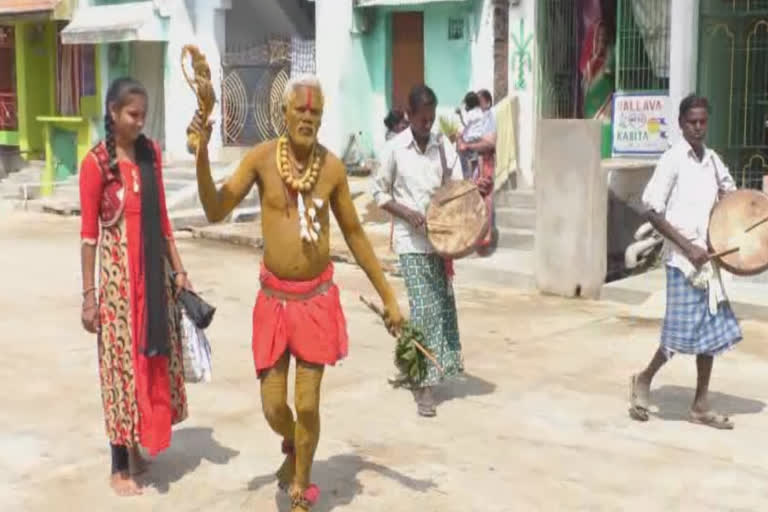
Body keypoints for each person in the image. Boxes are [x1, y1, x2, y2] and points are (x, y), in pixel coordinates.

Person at [191, 74, 403, 512]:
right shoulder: (262, 159)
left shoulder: (332, 169)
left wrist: (388, 296)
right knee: (274, 408)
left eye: (316, 112)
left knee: (307, 405)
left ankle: (302, 488)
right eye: (301, 110)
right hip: (273, 301)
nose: (308, 117)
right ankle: (293, 444)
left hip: (316, 301)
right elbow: (214, 208)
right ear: (283, 113)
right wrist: (201, 159)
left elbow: (357, 236)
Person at [79, 77, 190, 496]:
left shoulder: (150, 155)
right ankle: (117, 466)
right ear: (113, 113)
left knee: (150, 362)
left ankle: (137, 447)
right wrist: (90, 298)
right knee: (120, 370)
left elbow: (161, 219)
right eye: (132, 115)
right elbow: (89, 235)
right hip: (118, 285)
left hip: (154, 283)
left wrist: (179, 271)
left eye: (143, 115)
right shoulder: (97, 165)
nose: (139, 122)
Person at [372, 84, 492, 417]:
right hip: (411, 244)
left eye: (430, 119)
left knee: (440, 309)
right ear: (408, 116)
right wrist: (408, 214)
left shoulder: (443, 148)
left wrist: (474, 188)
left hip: (442, 243)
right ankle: (424, 387)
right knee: (424, 311)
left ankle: (419, 368)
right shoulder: (396, 149)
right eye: (421, 119)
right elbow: (379, 193)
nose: (427, 125)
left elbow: (457, 189)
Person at [628, 94, 742, 429]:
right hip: (681, 260)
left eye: (702, 121)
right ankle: (643, 379)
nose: (697, 127)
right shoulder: (672, 159)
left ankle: (700, 404)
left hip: (708, 261)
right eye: (691, 121)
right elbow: (651, 207)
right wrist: (687, 246)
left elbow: (731, 197)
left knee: (708, 332)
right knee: (679, 332)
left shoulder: (713, 161)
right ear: (680, 124)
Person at [459, 89, 498, 255]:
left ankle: (483, 243)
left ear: (487, 103)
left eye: (480, 101)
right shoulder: (473, 117)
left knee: (483, 202)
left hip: (484, 165)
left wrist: (468, 146)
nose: (477, 105)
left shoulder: (489, 118)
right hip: (469, 166)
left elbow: (489, 143)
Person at [455, 91, 486, 179]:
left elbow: (465, 124)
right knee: (478, 158)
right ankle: (480, 176)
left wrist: (460, 115)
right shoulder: (481, 112)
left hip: (470, 140)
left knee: (465, 156)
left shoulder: (470, 114)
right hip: (479, 139)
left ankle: (468, 177)